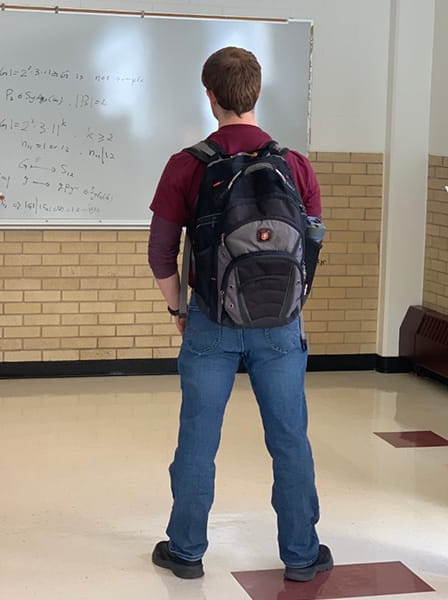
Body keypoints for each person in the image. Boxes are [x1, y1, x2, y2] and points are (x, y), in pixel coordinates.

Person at [147, 47, 331, 582]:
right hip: (280, 323)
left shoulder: (187, 164)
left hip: (210, 321)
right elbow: (313, 241)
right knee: (290, 439)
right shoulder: (293, 164)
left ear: (210, 96)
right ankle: (300, 555)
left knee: (198, 439)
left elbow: (160, 253)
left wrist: (180, 309)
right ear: (257, 91)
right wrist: (288, 305)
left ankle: (186, 551)